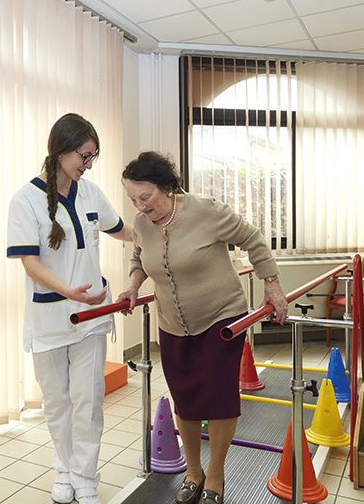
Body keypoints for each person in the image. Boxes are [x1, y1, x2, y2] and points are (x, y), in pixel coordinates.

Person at [117, 151, 287, 504]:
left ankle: (217, 475)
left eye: (145, 197)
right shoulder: (144, 224)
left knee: (220, 399)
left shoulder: (205, 211)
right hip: (172, 324)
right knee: (187, 400)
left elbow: (252, 238)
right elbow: (138, 257)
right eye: (134, 199)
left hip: (221, 319)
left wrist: (271, 284)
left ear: (166, 187)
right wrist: (133, 286)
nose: (140, 206)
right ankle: (193, 472)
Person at [6, 113, 132, 504]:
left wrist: (164, 229)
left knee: (89, 401)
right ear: (61, 148)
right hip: (49, 318)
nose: (88, 164)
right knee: (57, 403)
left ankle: (86, 477)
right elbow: (30, 263)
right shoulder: (25, 201)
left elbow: (123, 230)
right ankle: (64, 470)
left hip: (92, 319)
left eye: (93, 157)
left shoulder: (91, 193)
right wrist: (69, 292)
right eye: (84, 155)